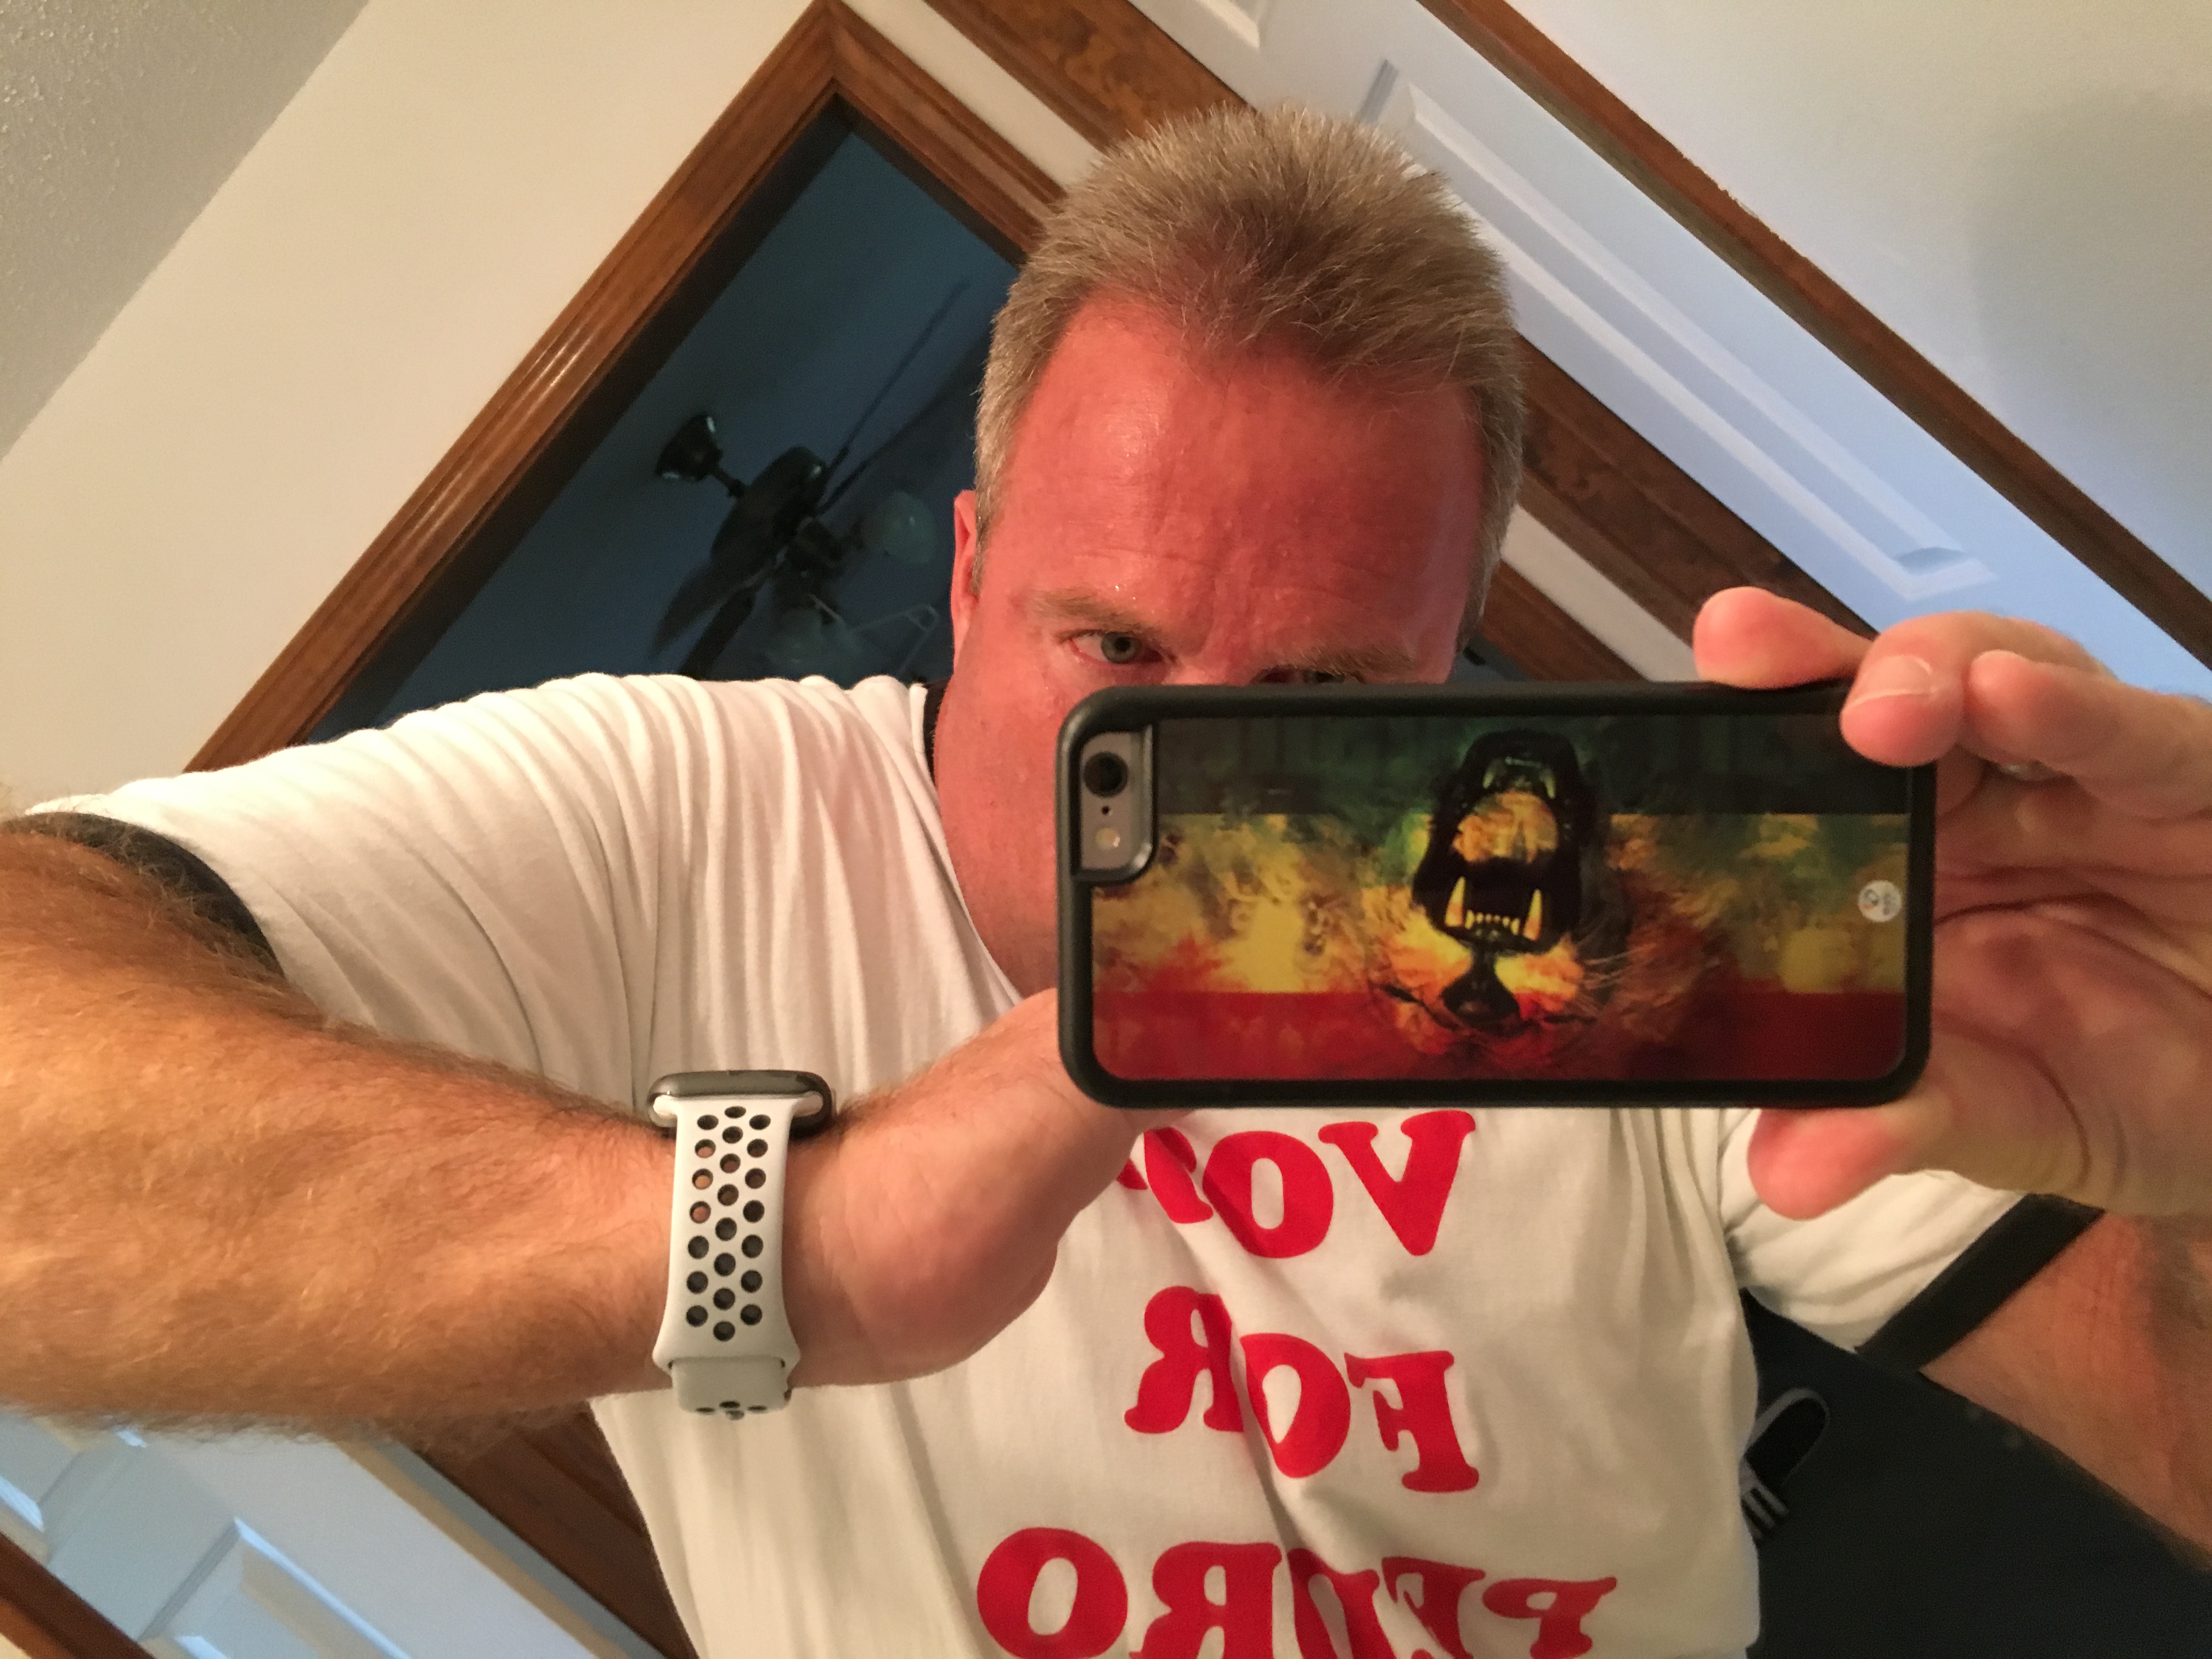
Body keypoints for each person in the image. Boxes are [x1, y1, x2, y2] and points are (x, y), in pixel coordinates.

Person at [2, 104, 2208, 1657]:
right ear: (968, 577)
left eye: (1327, 695)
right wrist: (791, 1241)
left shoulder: (1585, 884)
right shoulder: (666, 820)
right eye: (1123, 655)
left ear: (1453, 670)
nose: (1220, 791)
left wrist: (2194, 1141)